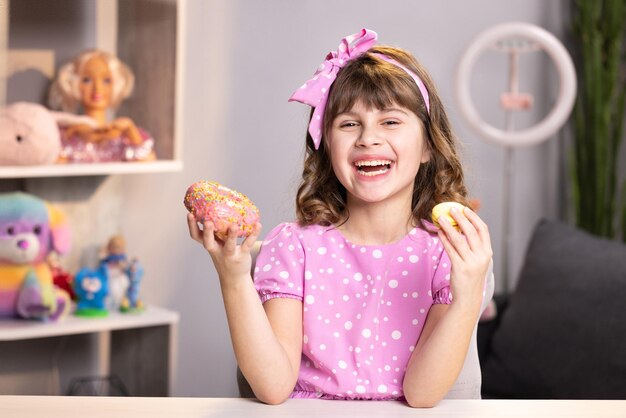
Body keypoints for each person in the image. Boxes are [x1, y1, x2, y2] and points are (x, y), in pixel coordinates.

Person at [187, 28, 494, 407]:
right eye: (349, 124)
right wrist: (234, 278)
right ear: (327, 145)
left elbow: (422, 394)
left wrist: (468, 297)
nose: (368, 138)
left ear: (429, 145)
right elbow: (272, 386)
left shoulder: (445, 253)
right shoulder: (294, 247)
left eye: (391, 122)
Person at [48, 49, 155, 162]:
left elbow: (148, 163)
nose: (97, 88)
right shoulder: (67, 135)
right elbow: (54, 164)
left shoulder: (125, 137)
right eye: (87, 80)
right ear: (73, 83)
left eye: (106, 81)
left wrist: (131, 132)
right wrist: (75, 133)